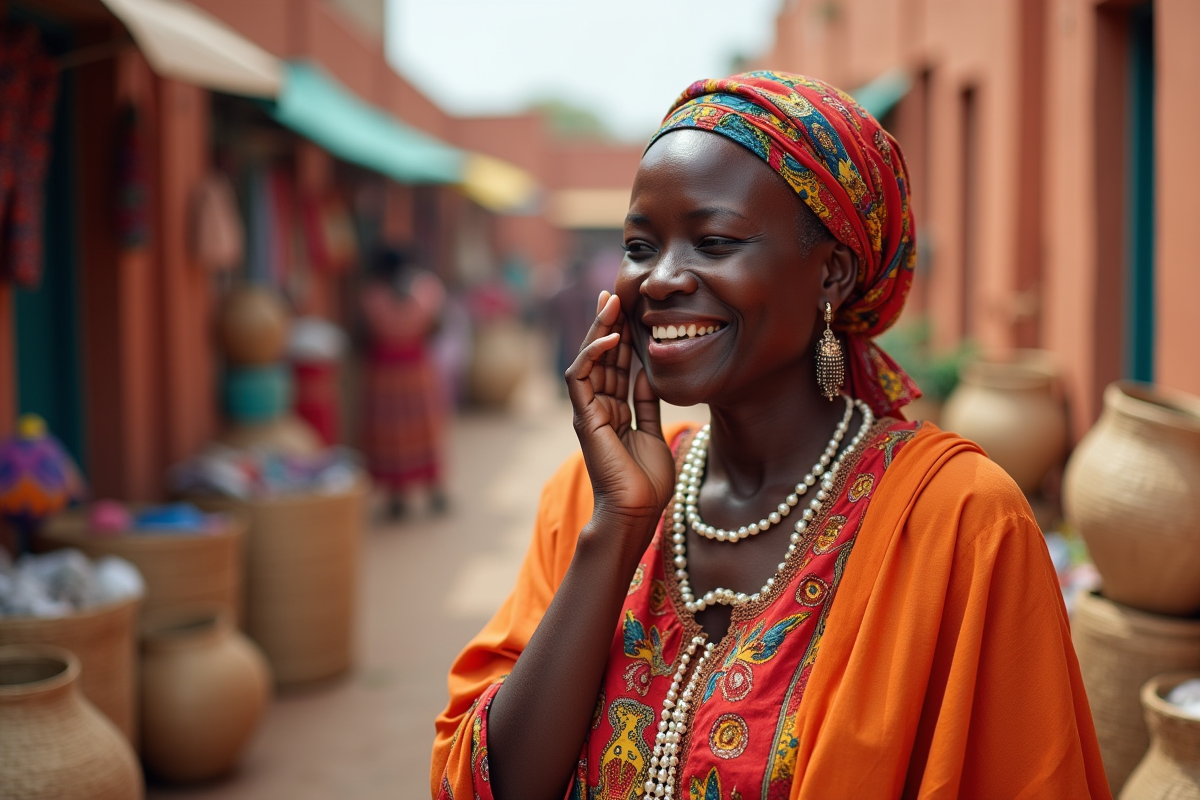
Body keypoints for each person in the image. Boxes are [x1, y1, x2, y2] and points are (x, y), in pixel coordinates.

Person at [432, 72, 1110, 799]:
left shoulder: (959, 526)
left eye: (715, 240)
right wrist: (620, 527)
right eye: (638, 246)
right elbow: (489, 785)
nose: (658, 280)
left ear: (834, 275)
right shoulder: (586, 502)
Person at [360, 246, 449, 518]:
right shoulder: (426, 290)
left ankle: (396, 499)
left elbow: (362, 334)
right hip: (416, 369)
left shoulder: (372, 296)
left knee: (389, 432)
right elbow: (437, 327)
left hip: (384, 373)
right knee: (422, 428)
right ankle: (435, 494)